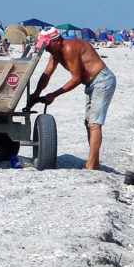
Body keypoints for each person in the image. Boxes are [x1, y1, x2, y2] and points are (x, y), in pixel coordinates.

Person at [27, 27, 116, 170]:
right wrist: (36, 93)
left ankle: (92, 165)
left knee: (94, 124)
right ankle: (94, 162)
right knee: (88, 123)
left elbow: (76, 79)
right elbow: (47, 74)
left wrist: (53, 95)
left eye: (48, 45)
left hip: (102, 80)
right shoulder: (55, 52)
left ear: (57, 41)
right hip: (91, 83)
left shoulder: (69, 48)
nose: (47, 48)